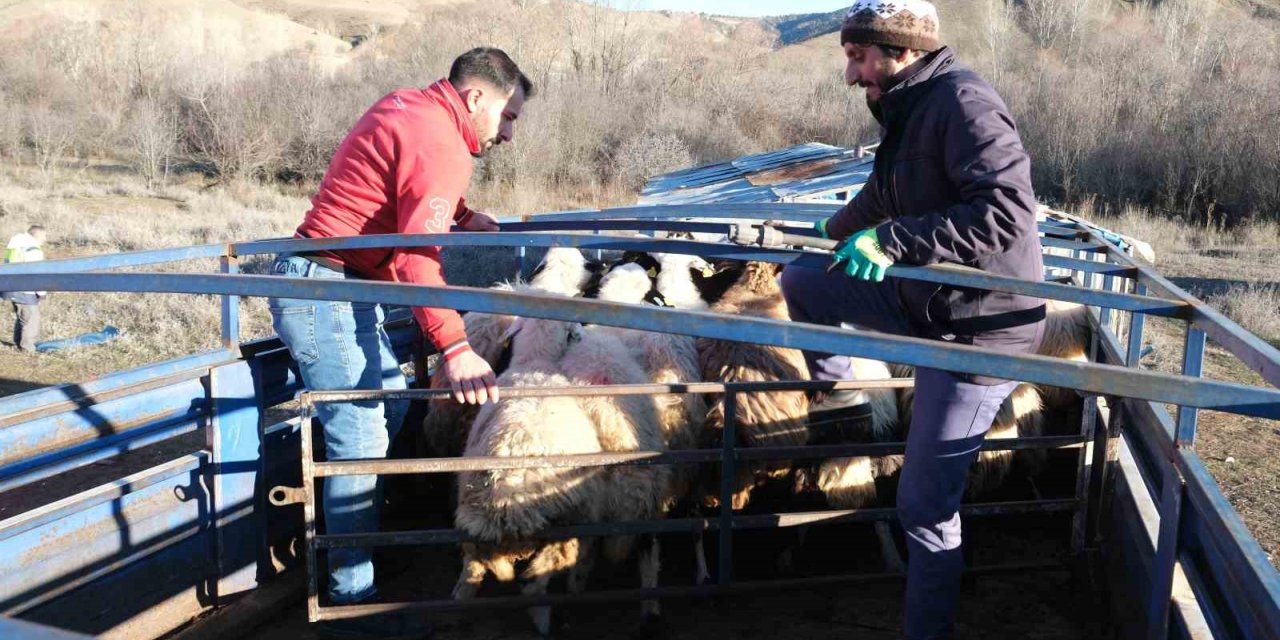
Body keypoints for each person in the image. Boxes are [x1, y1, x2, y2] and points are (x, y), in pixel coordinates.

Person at [778, 2, 1046, 638]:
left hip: (980, 328)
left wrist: (893, 241)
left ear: (900, 50)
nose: (851, 75)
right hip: (930, 301)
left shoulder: (963, 104)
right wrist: (834, 231)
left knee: (924, 506)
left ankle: (930, 628)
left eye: (857, 57)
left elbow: (1007, 211)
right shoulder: (908, 106)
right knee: (804, 280)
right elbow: (884, 192)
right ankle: (841, 403)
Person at [268, 47, 532, 639]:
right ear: (476, 99)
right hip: (325, 289)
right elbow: (416, 258)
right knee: (358, 434)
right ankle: (350, 606)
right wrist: (456, 347)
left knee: (385, 405)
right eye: (508, 117)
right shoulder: (441, 138)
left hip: (338, 283)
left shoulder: (413, 110)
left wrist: (461, 215)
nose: (507, 133)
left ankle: (357, 553)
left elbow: (403, 187)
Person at [2, 225, 48, 352]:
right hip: (25, 288)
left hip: (10, 285)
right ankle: (27, 348)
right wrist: (42, 292)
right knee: (31, 319)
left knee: (22, 317)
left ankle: (18, 342)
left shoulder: (16, 243)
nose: (45, 239)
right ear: (37, 235)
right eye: (44, 236)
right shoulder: (33, 249)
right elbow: (36, 273)